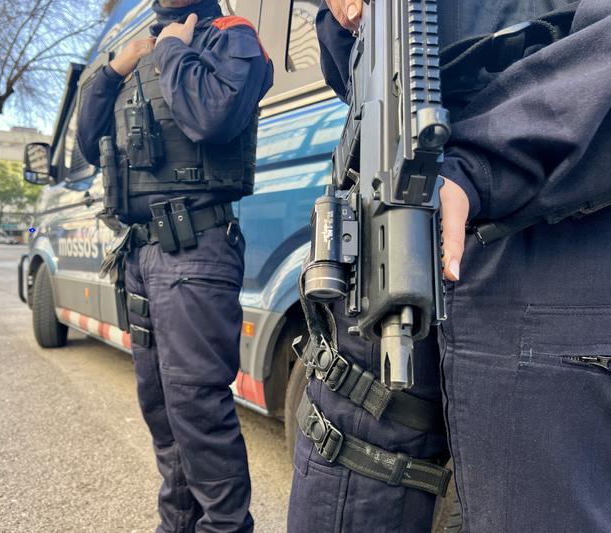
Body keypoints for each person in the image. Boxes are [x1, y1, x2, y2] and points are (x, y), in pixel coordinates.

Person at [289, 0, 611, 531]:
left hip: (545, 243)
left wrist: (483, 163)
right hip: (385, 226)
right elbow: (354, 78)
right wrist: (342, 19)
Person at [77, 1, 273, 531]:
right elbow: (88, 143)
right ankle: (177, 524)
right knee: (162, 409)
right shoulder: (141, 51)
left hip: (195, 248)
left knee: (198, 411)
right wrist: (116, 67)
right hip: (141, 253)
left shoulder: (230, 36)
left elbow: (211, 117)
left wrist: (170, 50)